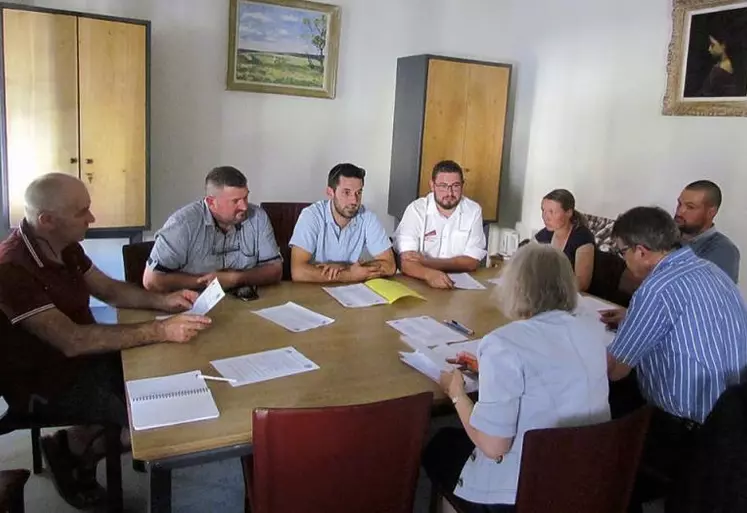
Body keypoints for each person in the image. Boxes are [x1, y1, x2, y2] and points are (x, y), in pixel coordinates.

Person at [0, 173, 212, 508]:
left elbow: (109, 290)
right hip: (42, 383)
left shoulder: (63, 245)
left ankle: (69, 444)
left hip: (80, 362)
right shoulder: (11, 268)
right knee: (155, 416)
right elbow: (72, 341)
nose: (92, 218)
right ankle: (75, 455)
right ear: (47, 220)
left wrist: (164, 302)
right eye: (82, 212)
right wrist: (160, 329)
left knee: (166, 373)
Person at [423, 244, 610, 512]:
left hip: (525, 491)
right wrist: (491, 374)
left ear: (517, 287)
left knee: (441, 445)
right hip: (587, 474)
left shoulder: (503, 343)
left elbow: (494, 446)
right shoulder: (592, 328)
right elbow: (550, 374)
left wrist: (456, 393)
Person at [602, 206, 747, 511]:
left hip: (686, 430)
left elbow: (615, 370)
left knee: (607, 403)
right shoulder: (712, 272)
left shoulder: (656, 288)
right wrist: (634, 317)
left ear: (641, 251)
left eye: (623, 252)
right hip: (732, 418)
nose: (623, 261)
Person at [143, 166, 282, 295]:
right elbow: (151, 280)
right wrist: (208, 282)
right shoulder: (182, 224)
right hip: (193, 304)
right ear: (211, 202)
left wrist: (236, 279)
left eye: (245, 197)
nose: (244, 206)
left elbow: (275, 270)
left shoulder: (258, 217)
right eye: (235, 201)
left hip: (246, 303)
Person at [289, 163, 396, 282]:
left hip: (350, 293)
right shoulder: (311, 216)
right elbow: (298, 271)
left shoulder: (367, 217)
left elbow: (390, 266)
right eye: (346, 192)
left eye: (358, 193)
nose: (354, 201)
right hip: (315, 290)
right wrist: (349, 275)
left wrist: (345, 268)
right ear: (330, 192)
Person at [393, 160, 486, 289]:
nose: (449, 193)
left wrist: (427, 262)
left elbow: (472, 262)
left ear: (462, 185)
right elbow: (407, 263)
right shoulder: (416, 210)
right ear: (432, 185)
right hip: (419, 281)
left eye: (455, 186)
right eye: (443, 186)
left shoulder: (474, 210)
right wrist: (429, 274)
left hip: (460, 285)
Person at [675, 180, 739, 283]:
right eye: (679, 204)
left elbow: (708, 292)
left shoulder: (723, 250)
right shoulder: (666, 238)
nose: (680, 211)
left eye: (690, 207)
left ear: (711, 212)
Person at [534, 189, 595, 291]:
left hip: (572, 298)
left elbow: (582, 284)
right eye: (543, 211)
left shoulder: (582, 237)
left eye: (552, 212)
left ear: (569, 213)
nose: (545, 217)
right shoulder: (544, 234)